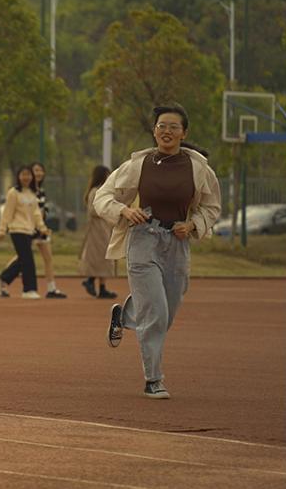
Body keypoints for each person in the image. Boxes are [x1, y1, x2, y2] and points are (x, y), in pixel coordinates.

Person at [95, 103, 221, 399]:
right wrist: (125, 210)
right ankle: (154, 379)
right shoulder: (138, 165)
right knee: (156, 313)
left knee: (167, 314)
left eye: (173, 127)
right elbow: (102, 197)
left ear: (184, 133)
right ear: (154, 131)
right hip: (143, 240)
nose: (167, 131)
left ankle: (126, 316)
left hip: (177, 244)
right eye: (161, 126)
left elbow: (212, 206)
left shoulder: (199, 167)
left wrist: (192, 225)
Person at [0, 165, 50, 299]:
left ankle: (2, 279)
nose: (26, 177)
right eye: (23, 174)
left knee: (23, 259)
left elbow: (36, 214)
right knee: (28, 260)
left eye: (28, 175)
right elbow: (7, 212)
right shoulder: (13, 192)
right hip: (16, 230)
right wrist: (2, 229)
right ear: (18, 177)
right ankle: (29, 290)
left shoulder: (32, 193)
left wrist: (43, 228)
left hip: (28, 230)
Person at [79, 165, 118, 299]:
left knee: (105, 258)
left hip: (104, 228)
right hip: (97, 229)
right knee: (98, 256)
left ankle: (101, 287)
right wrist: (106, 209)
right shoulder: (95, 192)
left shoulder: (104, 192)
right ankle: (90, 280)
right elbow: (93, 210)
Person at [30, 162, 66, 299]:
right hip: (31, 229)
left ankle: (52, 288)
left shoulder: (41, 190)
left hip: (42, 229)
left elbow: (41, 210)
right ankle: (2, 279)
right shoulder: (29, 190)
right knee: (22, 259)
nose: (38, 173)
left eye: (40, 170)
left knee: (48, 258)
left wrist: (43, 225)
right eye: (35, 170)